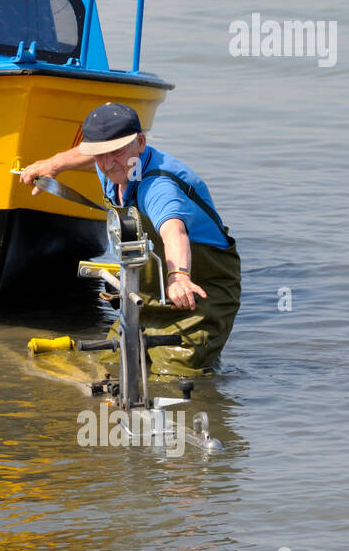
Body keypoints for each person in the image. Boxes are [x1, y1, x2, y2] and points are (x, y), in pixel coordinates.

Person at [20, 103, 240, 376]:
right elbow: (87, 153)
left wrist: (179, 275)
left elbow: (174, 230)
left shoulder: (158, 185)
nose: (108, 163)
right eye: (100, 154)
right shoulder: (109, 163)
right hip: (144, 293)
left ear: (141, 143)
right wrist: (53, 165)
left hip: (198, 294)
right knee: (110, 366)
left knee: (173, 378)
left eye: (117, 152)